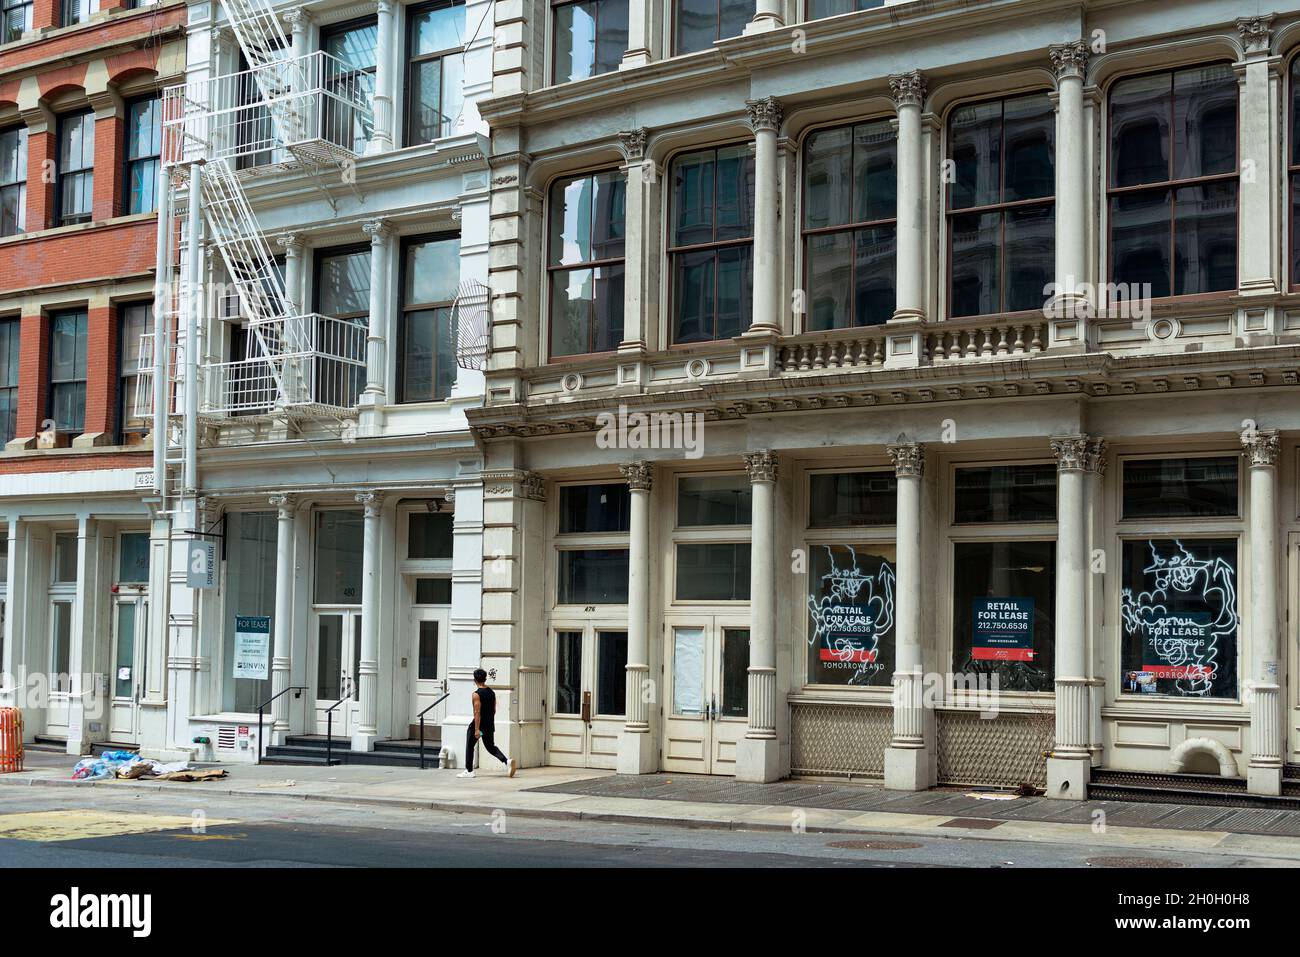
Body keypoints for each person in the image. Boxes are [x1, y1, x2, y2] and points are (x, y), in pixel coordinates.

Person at [457, 668, 516, 778]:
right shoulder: (491, 692)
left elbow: (477, 712)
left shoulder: (476, 694)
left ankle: (469, 771)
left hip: (479, 725)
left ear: (475, 680)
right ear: (485, 678)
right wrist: (488, 723)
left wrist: (477, 729)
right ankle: (506, 761)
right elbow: (493, 710)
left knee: (470, 745)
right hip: (489, 724)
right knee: (490, 747)